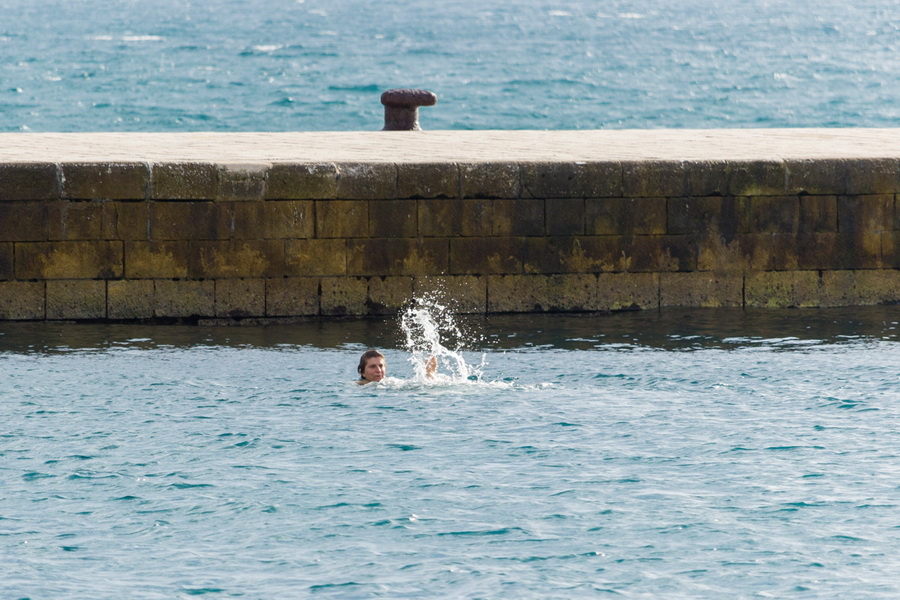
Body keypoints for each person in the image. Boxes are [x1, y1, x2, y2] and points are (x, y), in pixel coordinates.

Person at [356, 349, 436, 384]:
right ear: (362, 372)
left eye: (381, 366)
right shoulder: (358, 387)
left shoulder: (392, 382)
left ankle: (429, 375)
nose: (378, 370)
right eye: (373, 366)